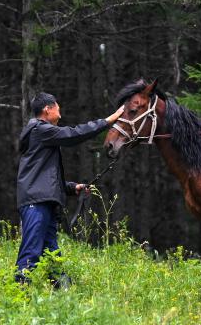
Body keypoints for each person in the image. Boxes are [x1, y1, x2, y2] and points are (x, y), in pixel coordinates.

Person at [14, 92, 124, 284]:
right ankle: (17, 292)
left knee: (51, 254)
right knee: (31, 250)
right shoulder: (40, 130)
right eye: (57, 107)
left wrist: (73, 188)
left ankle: (63, 293)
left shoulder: (41, 135)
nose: (60, 113)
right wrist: (108, 121)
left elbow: (44, 179)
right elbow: (73, 134)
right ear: (47, 109)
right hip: (36, 203)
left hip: (43, 201)